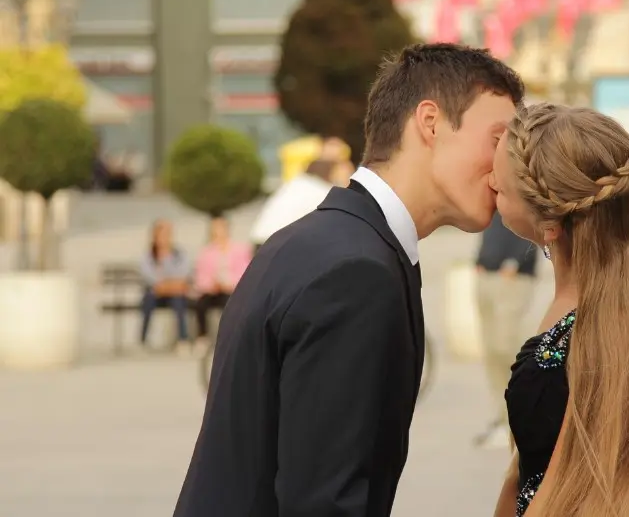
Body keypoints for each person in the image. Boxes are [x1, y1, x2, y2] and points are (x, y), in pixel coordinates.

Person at [174, 43, 524, 517]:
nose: (506, 165)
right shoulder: (355, 272)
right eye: (498, 140)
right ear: (431, 122)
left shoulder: (319, 241)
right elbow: (325, 501)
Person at [489, 104, 629, 517]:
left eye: (501, 183)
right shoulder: (619, 310)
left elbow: (557, 484)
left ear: (551, 223)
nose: (490, 181)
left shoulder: (592, 337)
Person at [474, 211, 537, 449]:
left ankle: (519, 417)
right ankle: (502, 418)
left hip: (513, 276)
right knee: (491, 350)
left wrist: (515, 261)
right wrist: (480, 260)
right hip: (487, 273)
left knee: (506, 347)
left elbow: (533, 219)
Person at [192, 216, 252, 354]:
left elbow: (245, 271)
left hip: (231, 290)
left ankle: (231, 337)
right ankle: (202, 337)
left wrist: (228, 284)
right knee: (201, 304)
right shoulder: (206, 252)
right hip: (212, 290)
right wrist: (211, 285)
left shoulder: (240, 250)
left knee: (231, 304)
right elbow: (200, 275)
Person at [249, 158, 337, 250]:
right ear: (329, 173)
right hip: (281, 244)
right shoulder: (321, 190)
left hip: (261, 240)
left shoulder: (295, 183)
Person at [138, 219, 191, 355]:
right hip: (155, 295)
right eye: (161, 234)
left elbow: (183, 276)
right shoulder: (148, 256)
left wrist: (167, 285)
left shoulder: (179, 255)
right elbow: (152, 280)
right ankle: (143, 340)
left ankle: (183, 340)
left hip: (174, 294)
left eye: (167, 234)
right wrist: (168, 285)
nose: (164, 238)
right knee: (148, 299)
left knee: (179, 300)